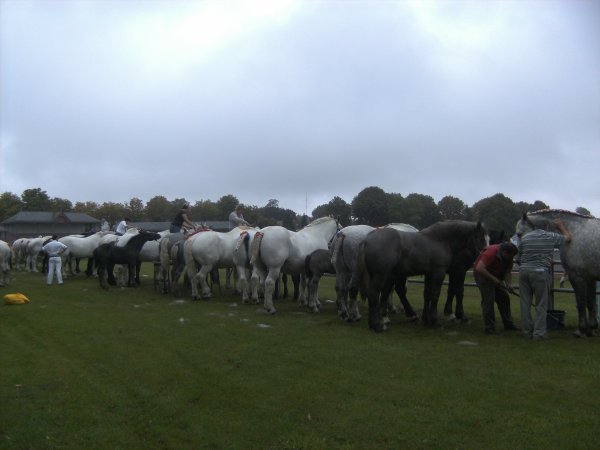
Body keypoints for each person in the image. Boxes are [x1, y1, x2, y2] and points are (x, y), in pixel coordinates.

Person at [518, 218, 572, 340]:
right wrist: (561, 226)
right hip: (540, 272)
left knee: (525, 303)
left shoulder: (525, 237)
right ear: (546, 226)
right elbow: (568, 238)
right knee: (541, 304)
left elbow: (519, 256)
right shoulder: (550, 236)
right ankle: (539, 333)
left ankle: (526, 332)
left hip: (523, 272)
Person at [473, 241, 520, 335]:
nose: (512, 258)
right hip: (482, 275)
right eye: (510, 256)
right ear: (505, 252)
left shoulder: (508, 257)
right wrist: (494, 280)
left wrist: (509, 284)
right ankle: (489, 327)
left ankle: (508, 324)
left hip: (496, 274)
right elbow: (479, 268)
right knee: (489, 299)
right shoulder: (491, 252)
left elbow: (507, 271)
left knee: (504, 297)